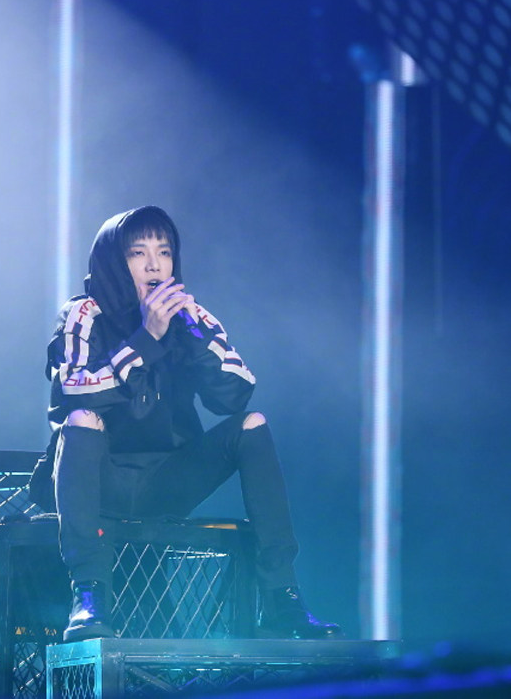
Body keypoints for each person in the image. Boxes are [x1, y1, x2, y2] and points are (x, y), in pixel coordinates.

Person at [29, 205, 341, 642]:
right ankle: (89, 595)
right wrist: (146, 339)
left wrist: (190, 333)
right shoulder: (84, 313)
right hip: (100, 481)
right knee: (82, 419)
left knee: (252, 424)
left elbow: (235, 394)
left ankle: (280, 597)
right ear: (114, 260)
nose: (154, 265)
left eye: (164, 252)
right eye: (138, 253)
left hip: (166, 481)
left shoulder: (190, 315)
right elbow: (77, 391)